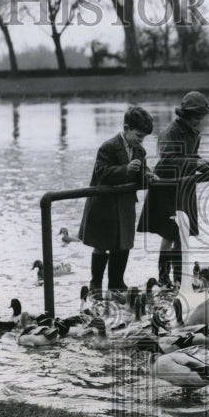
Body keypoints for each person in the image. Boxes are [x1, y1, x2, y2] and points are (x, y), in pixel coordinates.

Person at [137, 91, 209, 287]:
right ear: (186, 114)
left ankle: (180, 277)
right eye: (197, 116)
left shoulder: (193, 132)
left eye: (201, 116)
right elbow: (168, 160)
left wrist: (203, 162)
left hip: (185, 186)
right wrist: (195, 164)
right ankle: (164, 278)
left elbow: (193, 155)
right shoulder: (170, 132)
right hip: (166, 187)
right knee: (170, 233)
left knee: (184, 232)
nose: (199, 120)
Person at [78, 105, 156, 295]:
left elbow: (140, 176)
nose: (141, 141)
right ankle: (95, 284)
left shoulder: (140, 151)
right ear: (126, 128)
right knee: (102, 244)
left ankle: (116, 283)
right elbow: (102, 173)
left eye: (143, 138)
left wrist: (148, 176)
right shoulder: (108, 147)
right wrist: (126, 170)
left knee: (123, 244)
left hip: (125, 204)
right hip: (103, 206)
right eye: (138, 136)